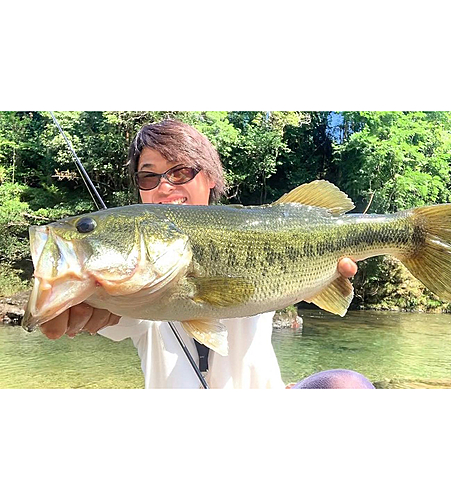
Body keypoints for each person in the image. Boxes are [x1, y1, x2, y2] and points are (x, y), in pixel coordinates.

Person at [40, 119, 374, 389]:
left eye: (180, 172)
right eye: (148, 175)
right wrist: (64, 304)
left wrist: (324, 281)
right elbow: (90, 314)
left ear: (210, 178)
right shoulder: (128, 289)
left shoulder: (248, 228)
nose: (165, 186)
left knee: (348, 387)